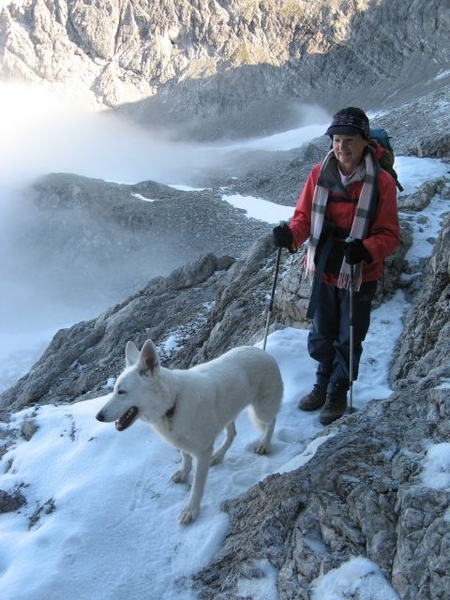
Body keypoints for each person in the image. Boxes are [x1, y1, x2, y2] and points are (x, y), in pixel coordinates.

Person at [273, 107, 400, 425]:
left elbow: (389, 234)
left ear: (364, 142)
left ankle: (338, 390)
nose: (341, 147)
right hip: (327, 266)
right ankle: (322, 382)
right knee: (322, 332)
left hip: (360, 273)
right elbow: (303, 217)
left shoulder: (381, 182)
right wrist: (290, 236)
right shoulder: (319, 173)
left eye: (349, 141)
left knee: (348, 335)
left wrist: (366, 250)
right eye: (337, 140)